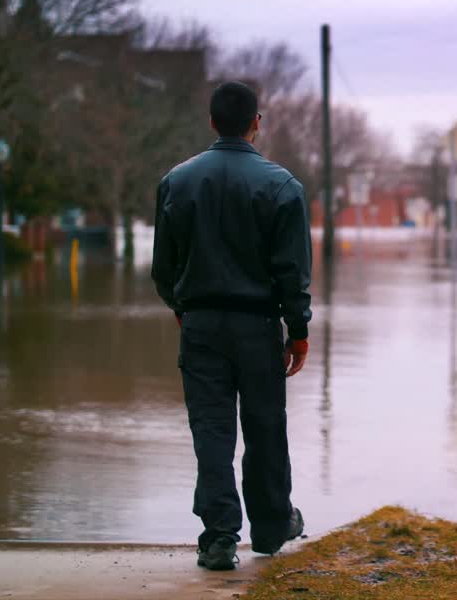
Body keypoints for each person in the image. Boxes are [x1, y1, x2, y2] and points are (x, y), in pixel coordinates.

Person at [152, 81, 312, 571]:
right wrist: (297, 329)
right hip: (259, 326)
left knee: (212, 431)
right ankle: (270, 526)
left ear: (211, 121)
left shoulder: (176, 182)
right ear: (256, 124)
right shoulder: (283, 186)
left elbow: (164, 267)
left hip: (200, 325)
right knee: (265, 427)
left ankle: (219, 537)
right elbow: (292, 270)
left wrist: (184, 309)